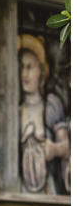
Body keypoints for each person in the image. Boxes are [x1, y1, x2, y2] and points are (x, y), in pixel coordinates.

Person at [17, 33, 69, 194]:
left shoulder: (51, 105)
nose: (24, 74)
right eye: (21, 67)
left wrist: (53, 149)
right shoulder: (16, 111)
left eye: (30, 67)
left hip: (47, 187)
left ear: (42, 70)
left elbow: (66, 147)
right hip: (21, 188)